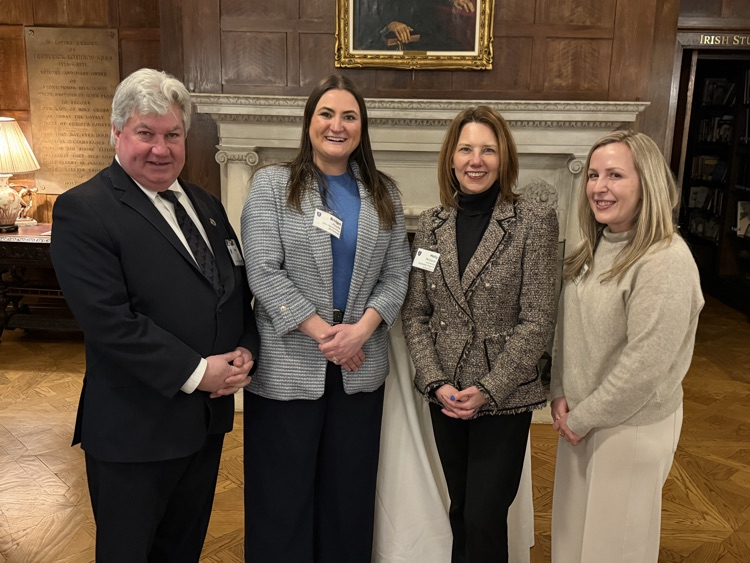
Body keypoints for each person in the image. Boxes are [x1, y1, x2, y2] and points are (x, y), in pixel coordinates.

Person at [50, 68, 259, 563]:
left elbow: (236, 290)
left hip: (204, 424)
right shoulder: (84, 209)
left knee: (181, 551)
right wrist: (197, 372)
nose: (160, 149)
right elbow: (109, 322)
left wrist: (246, 349)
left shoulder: (206, 204)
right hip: (134, 432)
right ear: (117, 132)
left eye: (172, 135)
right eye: (145, 133)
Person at [240, 74, 411, 562]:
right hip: (289, 365)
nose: (338, 125)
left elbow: (398, 273)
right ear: (309, 122)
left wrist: (360, 331)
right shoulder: (273, 184)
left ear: (362, 128)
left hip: (359, 368)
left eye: (349, 116)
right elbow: (262, 269)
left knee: (348, 498)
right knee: (282, 498)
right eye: (327, 114)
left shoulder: (385, 193)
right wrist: (324, 335)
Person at [401, 105, 559, 562]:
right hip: (445, 393)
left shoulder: (533, 220)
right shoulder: (432, 223)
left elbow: (538, 320)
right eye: (466, 148)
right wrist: (435, 381)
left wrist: (488, 390)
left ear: (504, 157)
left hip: (504, 396)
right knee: (462, 509)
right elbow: (416, 312)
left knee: (486, 515)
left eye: (488, 149)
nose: (476, 160)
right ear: (450, 157)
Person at [549, 130, 704, 563]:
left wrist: (583, 417)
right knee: (572, 541)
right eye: (594, 175)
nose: (599, 187)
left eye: (615, 175)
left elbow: (645, 365)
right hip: (581, 418)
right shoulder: (594, 247)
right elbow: (568, 330)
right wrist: (560, 393)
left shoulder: (666, 260)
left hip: (630, 426)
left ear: (647, 182)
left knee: (613, 549)